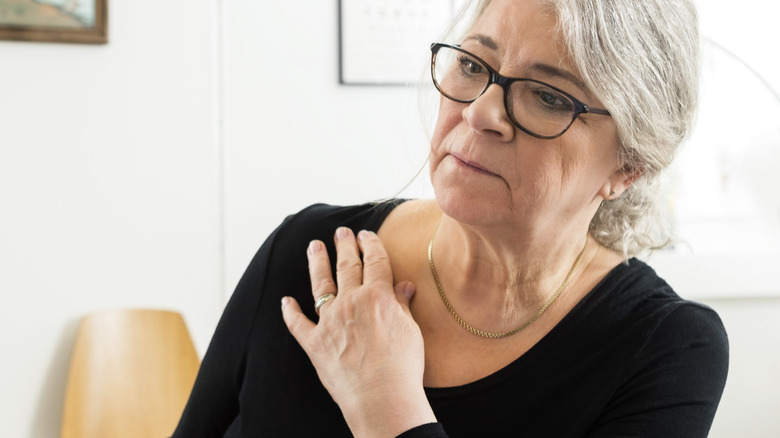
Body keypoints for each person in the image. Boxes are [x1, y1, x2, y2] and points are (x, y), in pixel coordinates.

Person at [172, 0, 729, 436]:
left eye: (548, 97)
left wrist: (388, 407)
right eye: (471, 64)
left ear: (628, 165)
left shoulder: (667, 349)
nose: (480, 110)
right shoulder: (309, 249)